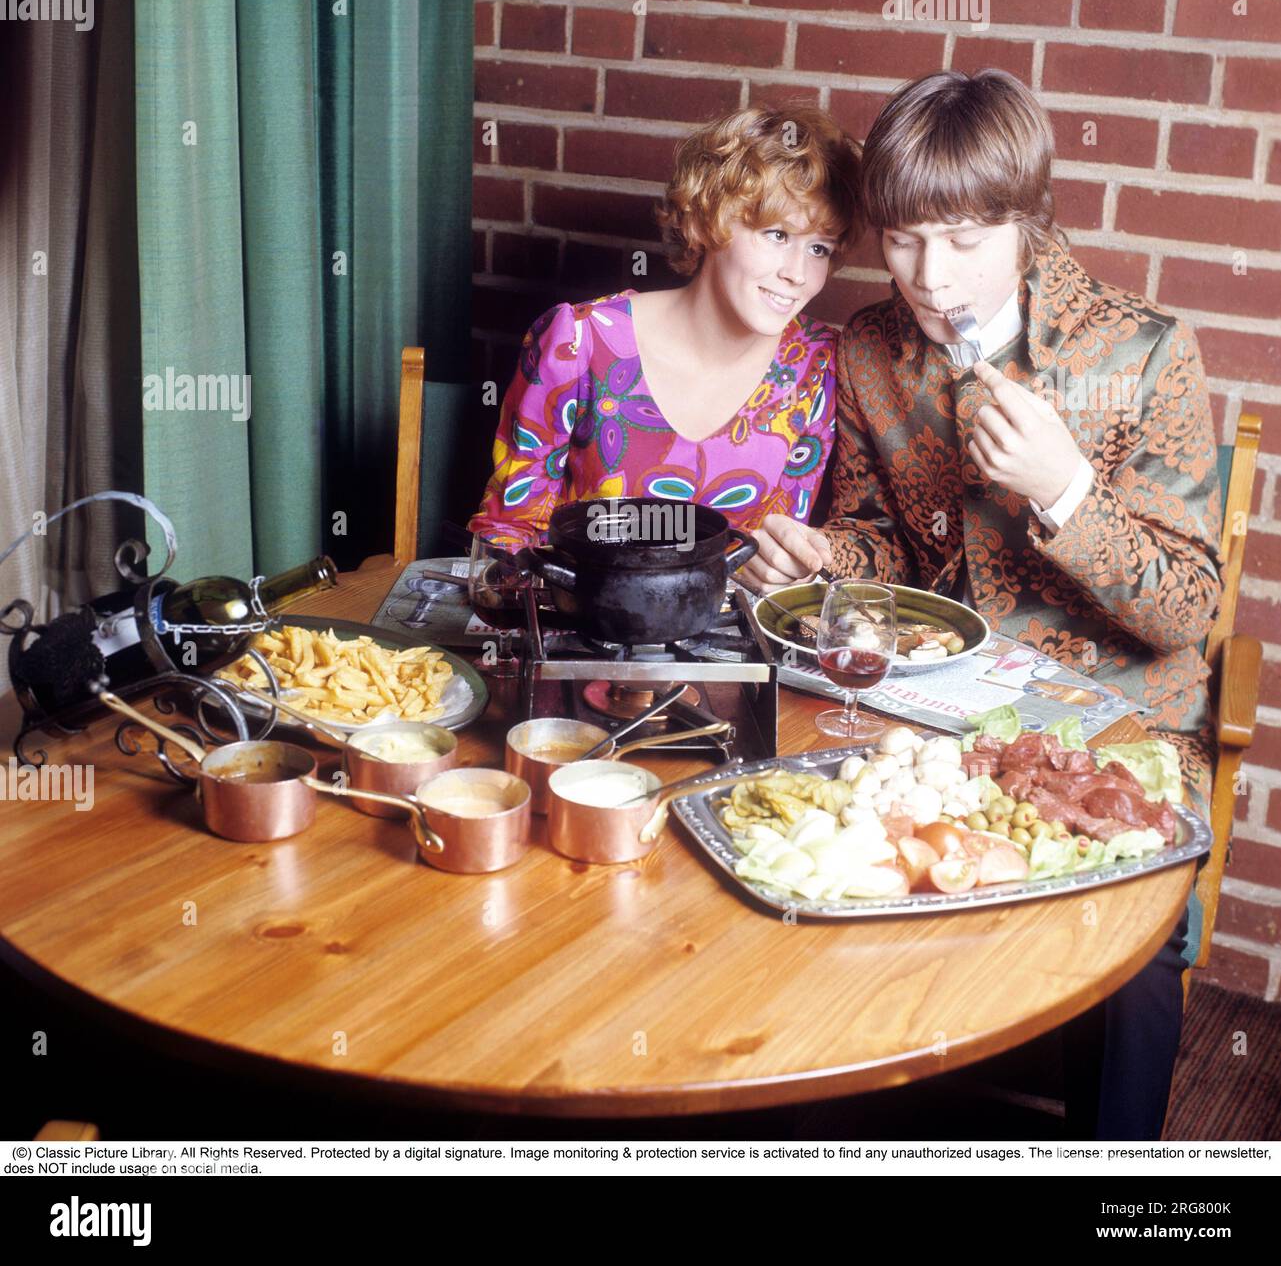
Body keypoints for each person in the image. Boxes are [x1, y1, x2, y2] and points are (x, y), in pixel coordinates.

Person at [818, 69, 1222, 1139]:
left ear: (1026, 219)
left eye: (961, 238)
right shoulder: (866, 348)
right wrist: (820, 555)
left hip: (1115, 729)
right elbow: (873, 541)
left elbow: (1188, 609)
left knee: (1129, 959)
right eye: (901, 238)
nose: (928, 274)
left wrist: (1066, 490)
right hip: (940, 712)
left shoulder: (1143, 354)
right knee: (824, 871)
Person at [468, 104, 862, 590]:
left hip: (724, 650)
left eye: (819, 247)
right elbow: (506, 535)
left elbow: (777, 548)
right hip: (576, 631)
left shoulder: (817, 366)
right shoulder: (578, 340)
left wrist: (783, 566)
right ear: (701, 222)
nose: (799, 274)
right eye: (777, 234)